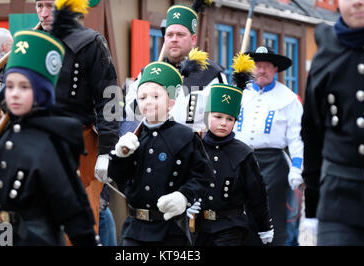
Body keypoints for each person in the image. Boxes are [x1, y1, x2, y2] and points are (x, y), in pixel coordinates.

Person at [0, 0, 120, 232]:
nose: (43, 13)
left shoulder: (91, 43)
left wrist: (107, 151)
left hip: (79, 147)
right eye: (40, 6)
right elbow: (19, 105)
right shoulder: (29, 44)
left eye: (51, 6)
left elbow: (109, 98)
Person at [0, 29, 97, 246]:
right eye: (9, 86)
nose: (14, 93)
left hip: (36, 238)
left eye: (24, 87)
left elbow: (73, 209)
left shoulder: (53, 141)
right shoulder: (0, 137)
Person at [301, 0, 364, 246]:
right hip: (339, 201)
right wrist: (311, 210)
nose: (356, 0)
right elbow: (312, 135)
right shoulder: (327, 56)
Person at [108, 61, 213, 246]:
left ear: (171, 103)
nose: (148, 102)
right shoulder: (133, 138)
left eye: (156, 96)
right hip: (135, 230)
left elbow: (203, 176)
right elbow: (119, 178)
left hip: (171, 232)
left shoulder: (185, 136)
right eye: (142, 97)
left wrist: (184, 196)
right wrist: (119, 157)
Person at [189, 55, 273, 246]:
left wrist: (264, 226)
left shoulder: (243, 153)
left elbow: (257, 194)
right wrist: (187, 200)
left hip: (231, 227)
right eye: (218, 117)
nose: (223, 123)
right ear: (208, 115)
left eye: (229, 119)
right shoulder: (196, 147)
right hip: (200, 228)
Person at [233, 46, 304, 246]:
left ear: (275, 70)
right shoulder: (239, 93)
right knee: (241, 214)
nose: (261, 70)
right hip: (241, 160)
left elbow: (297, 137)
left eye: (266, 66)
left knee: (275, 218)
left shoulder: (289, 99)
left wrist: (297, 168)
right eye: (257, 65)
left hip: (274, 165)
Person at [124, 4, 227, 133]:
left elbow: (221, 120)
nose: (174, 40)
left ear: (193, 39)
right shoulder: (149, 72)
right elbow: (130, 112)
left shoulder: (211, 74)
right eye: (170, 35)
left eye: (180, 35)